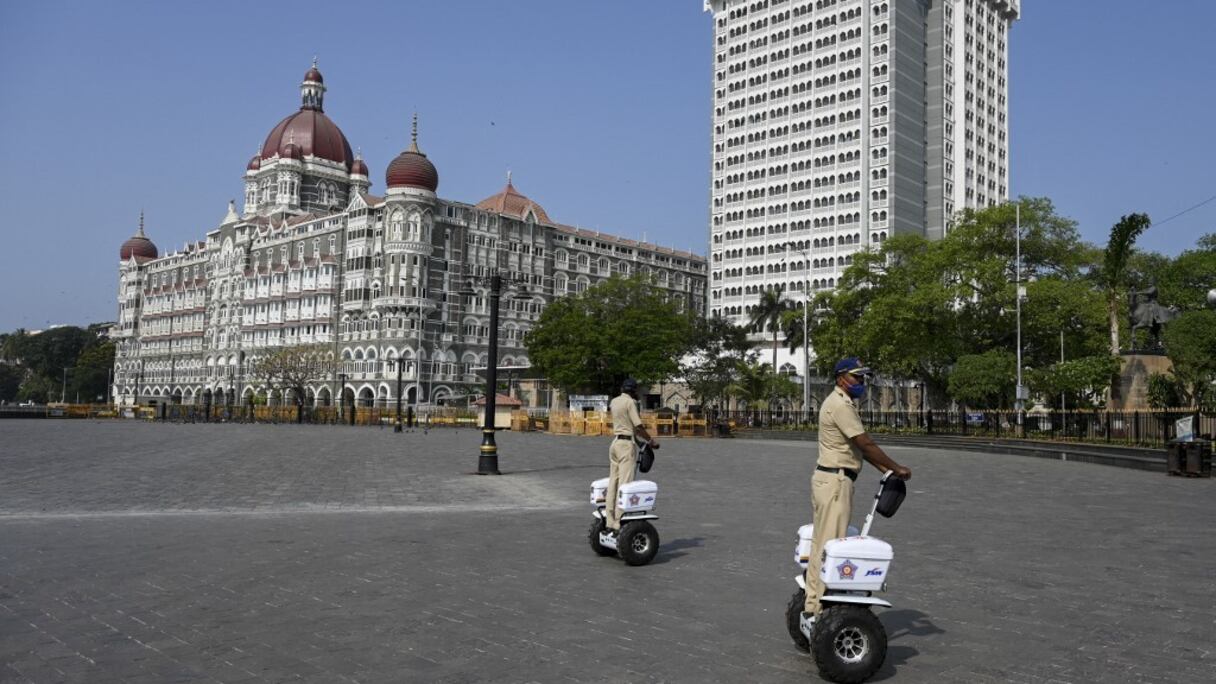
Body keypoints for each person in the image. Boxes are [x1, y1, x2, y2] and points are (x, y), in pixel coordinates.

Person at [803, 358, 912, 625]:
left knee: (821, 544)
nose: (861, 383)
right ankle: (818, 609)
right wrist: (896, 467)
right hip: (836, 483)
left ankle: (813, 602)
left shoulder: (840, 401)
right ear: (841, 378)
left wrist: (885, 470)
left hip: (830, 480)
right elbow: (865, 442)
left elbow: (858, 448)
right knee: (829, 546)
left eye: (863, 378)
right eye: (856, 377)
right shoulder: (840, 405)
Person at [604, 378, 658, 534]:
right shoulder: (630, 403)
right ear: (633, 390)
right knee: (624, 485)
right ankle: (618, 522)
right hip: (626, 446)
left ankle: (609, 520)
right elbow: (638, 426)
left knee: (613, 483)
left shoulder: (614, 402)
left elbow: (627, 426)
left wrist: (641, 444)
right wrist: (651, 441)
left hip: (615, 444)